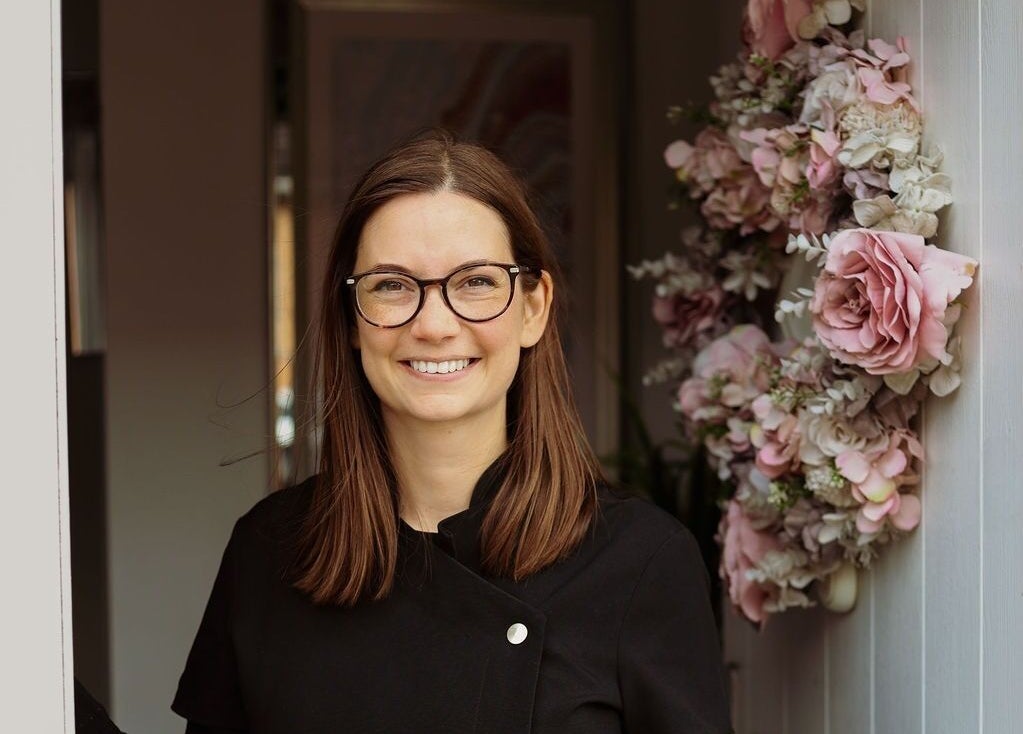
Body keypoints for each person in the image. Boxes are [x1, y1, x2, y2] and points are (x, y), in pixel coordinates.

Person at [171, 131, 732, 733]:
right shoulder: (269, 551)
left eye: (477, 282)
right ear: (351, 318)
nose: (435, 325)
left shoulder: (641, 561)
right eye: (391, 285)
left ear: (533, 308)